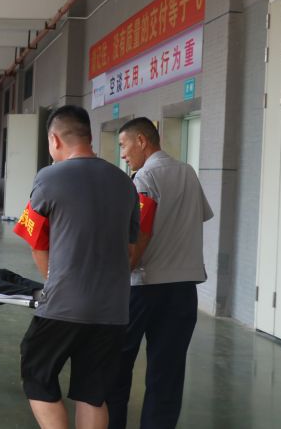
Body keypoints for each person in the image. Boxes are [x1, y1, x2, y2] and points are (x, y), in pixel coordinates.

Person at [15, 105, 139, 429]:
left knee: (37, 373)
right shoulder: (125, 182)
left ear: (54, 140)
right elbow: (130, 249)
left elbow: (35, 239)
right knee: (93, 393)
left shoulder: (48, 177)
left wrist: (53, 282)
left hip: (64, 304)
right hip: (113, 309)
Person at [107, 117, 214, 429]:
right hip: (183, 290)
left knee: (117, 366)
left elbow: (139, 235)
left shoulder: (144, 178)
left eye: (124, 145)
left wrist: (118, 275)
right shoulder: (188, 172)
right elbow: (198, 216)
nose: (123, 154)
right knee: (167, 375)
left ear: (141, 141)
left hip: (144, 287)